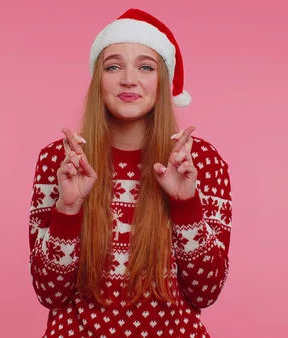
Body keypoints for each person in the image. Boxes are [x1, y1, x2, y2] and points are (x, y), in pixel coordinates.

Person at [28, 8, 232, 338]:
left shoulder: (200, 162)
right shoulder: (62, 160)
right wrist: (68, 209)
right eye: (113, 66)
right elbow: (49, 293)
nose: (128, 79)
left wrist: (185, 204)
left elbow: (205, 292)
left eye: (145, 67)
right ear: (99, 80)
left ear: (162, 81)